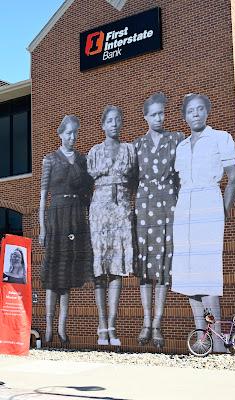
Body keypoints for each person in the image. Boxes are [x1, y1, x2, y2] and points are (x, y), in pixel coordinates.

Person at [171, 93, 235, 352]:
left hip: (208, 202)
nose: (196, 114)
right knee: (189, 276)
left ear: (207, 112)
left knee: (207, 274)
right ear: (185, 116)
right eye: (190, 111)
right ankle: (202, 337)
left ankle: (219, 340)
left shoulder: (221, 138)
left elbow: (233, 178)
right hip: (185, 209)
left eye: (200, 109)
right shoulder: (181, 146)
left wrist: (221, 212)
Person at [134, 92, 184, 349]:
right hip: (144, 208)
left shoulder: (176, 139)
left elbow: (181, 175)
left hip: (168, 206)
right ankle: (145, 322)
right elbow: (131, 178)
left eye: (161, 113)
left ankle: (157, 325)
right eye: (153, 114)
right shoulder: (137, 145)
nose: (158, 118)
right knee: (145, 269)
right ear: (145, 117)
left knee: (163, 267)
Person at [39, 115, 93, 345]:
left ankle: (62, 328)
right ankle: (49, 327)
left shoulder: (82, 160)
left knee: (68, 275)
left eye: (75, 133)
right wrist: (42, 228)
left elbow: (88, 195)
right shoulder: (49, 160)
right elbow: (43, 197)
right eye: (68, 133)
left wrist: (89, 223)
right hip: (57, 217)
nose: (72, 137)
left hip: (76, 218)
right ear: (60, 134)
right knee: (53, 276)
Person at [87, 105, 135, 346]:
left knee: (116, 269)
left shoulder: (129, 149)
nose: (114, 124)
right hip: (99, 212)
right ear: (103, 125)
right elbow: (88, 181)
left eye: (118, 120)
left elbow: (135, 180)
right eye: (109, 120)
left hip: (122, 211)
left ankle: (112, 326)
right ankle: (101, 325)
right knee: (100, 270)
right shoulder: (94, 151)